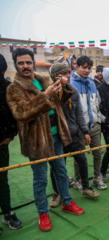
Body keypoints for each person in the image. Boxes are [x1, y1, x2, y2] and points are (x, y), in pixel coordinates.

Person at [7, 48, 84, 232]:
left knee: (61, 171)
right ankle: (43, 213)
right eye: (21, 63)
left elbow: (59, 102)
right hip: (36, 141)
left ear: (33, 62)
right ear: (16, 64)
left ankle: (67, 202)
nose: (25, 66)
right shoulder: (14, 88)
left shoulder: (43, 79)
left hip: (56, 135)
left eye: (28, 62)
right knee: (40, 179)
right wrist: (45, 95)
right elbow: (21, 113)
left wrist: (64, 87)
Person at [48, 63, 99, 205]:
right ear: (55, 77)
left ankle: (86, 187)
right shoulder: (50, 93)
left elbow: (79, 115)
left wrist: (85, 132)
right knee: (57, 167)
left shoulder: (73, 92)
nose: (69, 76)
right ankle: (57, 193)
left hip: (72, 135)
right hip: (57, 137)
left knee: (82, 159)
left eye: (69, 73)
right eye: (65, 74)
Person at [70, 56, 106, 190]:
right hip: (79, 127)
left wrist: (99, 118)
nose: (87, 70)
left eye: (89, 68)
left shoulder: (92, 83)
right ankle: (79, 180)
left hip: (95, 126)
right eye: (84, 67)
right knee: (80, 156)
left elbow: (96, 104)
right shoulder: (71, 84)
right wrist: (78, 126)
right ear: (77, 67)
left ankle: (97, 178)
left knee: (98, 153)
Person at [0, 53, 23, 231]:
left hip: (2, 145)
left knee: (2, 181)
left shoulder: (8, 88)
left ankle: (7, 213)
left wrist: (10, 136)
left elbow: (15, 116)